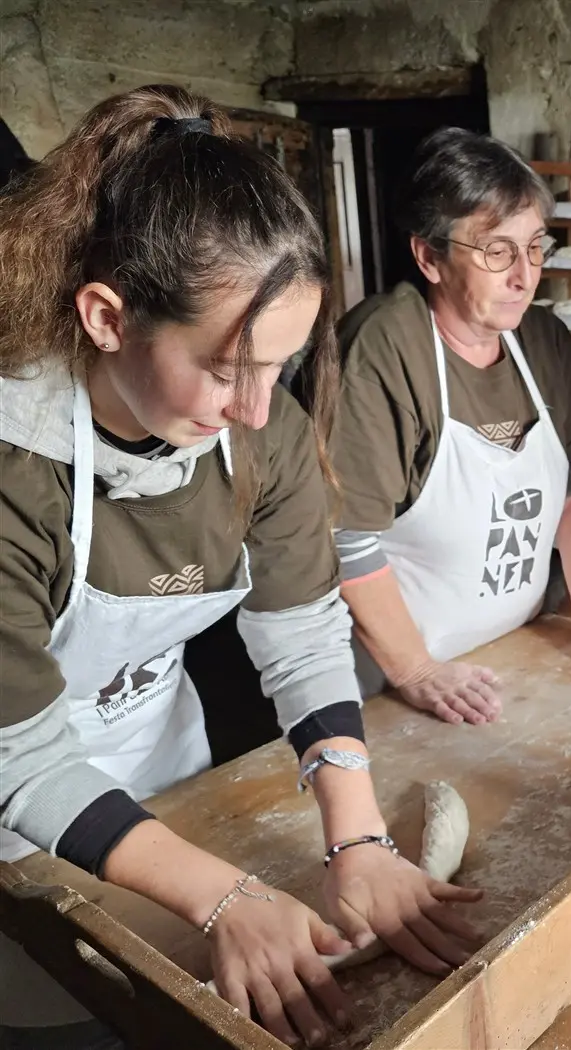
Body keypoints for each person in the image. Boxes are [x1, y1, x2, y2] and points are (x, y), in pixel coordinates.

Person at [0, 86, 478, 1050]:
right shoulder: (19, 470)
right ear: (105, 317)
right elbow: (16, 751)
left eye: (281, 366)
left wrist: (358, 836)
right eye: (226, 371)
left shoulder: (262, 431)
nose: (258, 410)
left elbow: (301, 633)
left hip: (165, 796)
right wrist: (225, 898)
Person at [313, 128, 571, 726]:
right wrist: (416, 671)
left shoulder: (544, 342)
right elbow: (344, 539)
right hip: (392, 677)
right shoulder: (386, 345)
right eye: (496, 251)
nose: (524, 275)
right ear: (429, 256)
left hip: (514, 650)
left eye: (536, 246)